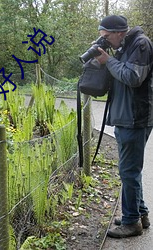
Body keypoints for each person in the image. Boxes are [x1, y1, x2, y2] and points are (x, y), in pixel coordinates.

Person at [95, 15, 153, 238]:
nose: (106, 41)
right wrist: (105, 60)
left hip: (135, 118)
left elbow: (132, 77)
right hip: (125, 117)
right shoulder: (124, 46)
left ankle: (131, 223)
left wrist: (108, 61)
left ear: (119, 32)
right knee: (130, 171)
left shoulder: (141, 44)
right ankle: (140, 214)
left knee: (128, 171)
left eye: (107, 37)